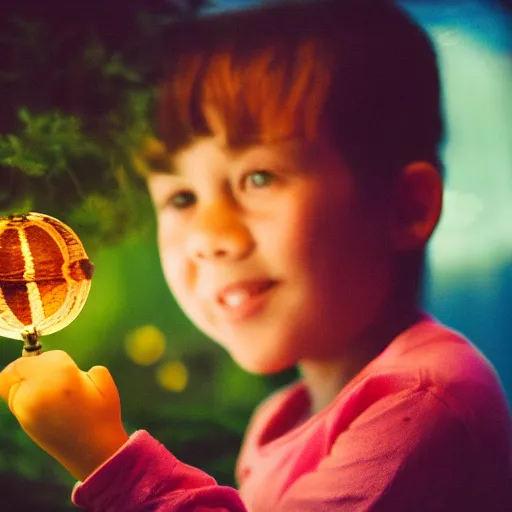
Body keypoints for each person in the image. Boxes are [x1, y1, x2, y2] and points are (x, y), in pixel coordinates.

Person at [1, 0, 512, 510]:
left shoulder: (423, 402)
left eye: (259, 178)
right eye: (181, 197)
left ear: (406, 207)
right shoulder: (281, 416)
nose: (209, 234)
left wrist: (104, 460)